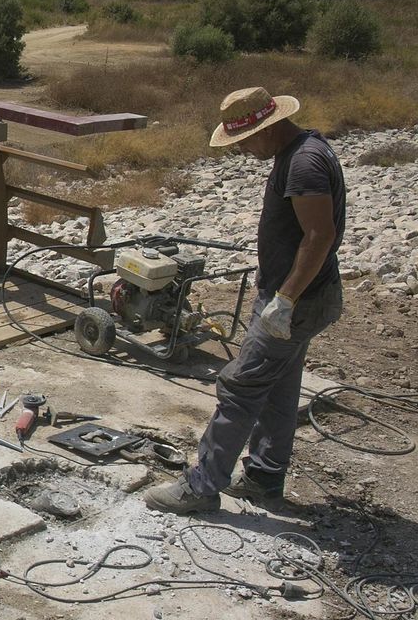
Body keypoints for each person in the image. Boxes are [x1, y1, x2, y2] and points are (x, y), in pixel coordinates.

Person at [144, 87, 346, 514]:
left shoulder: (304, 162)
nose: (242, 150)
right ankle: (264, 478)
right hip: (302, 297)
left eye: (244, 141)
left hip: (296, 302)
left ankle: (201, 487)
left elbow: (320, 235)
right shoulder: (299, 151)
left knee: (240, 387)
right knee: (278, 389)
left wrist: (285, 299)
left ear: (266, 128)